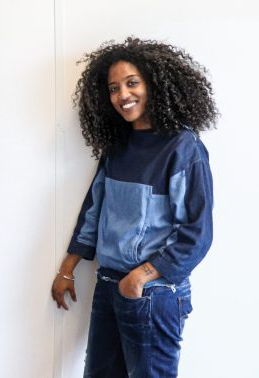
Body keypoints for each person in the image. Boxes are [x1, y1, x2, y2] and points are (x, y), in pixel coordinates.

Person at [51, 37, 218, 377]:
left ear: (154, 83)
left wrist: (139, 279)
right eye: (114, 88)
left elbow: (197, 233)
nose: (122, 96)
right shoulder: (118, 146)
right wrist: (67, 268)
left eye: (132, 83)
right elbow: (94, 210)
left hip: (153, 293)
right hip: (109, 285)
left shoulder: (182, 147)